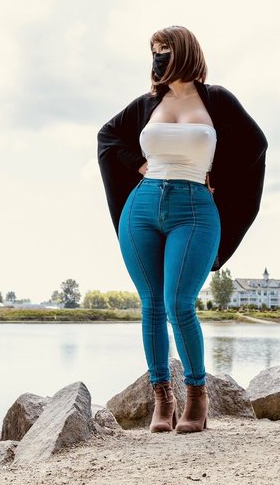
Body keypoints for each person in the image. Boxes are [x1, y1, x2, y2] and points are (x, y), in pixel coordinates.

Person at [98, 25, 268, 434]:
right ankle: (163, 399)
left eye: (164, 49)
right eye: (154, 50)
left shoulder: (217, 100)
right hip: (142, 208)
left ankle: (197, 397)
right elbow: (107, 137)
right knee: (151, 305)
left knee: (179, 303)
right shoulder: (147, 104)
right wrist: (138, 165)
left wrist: (218, 176)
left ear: (184, 51)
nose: (158, 57)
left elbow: (255, 144)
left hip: (194, 208)